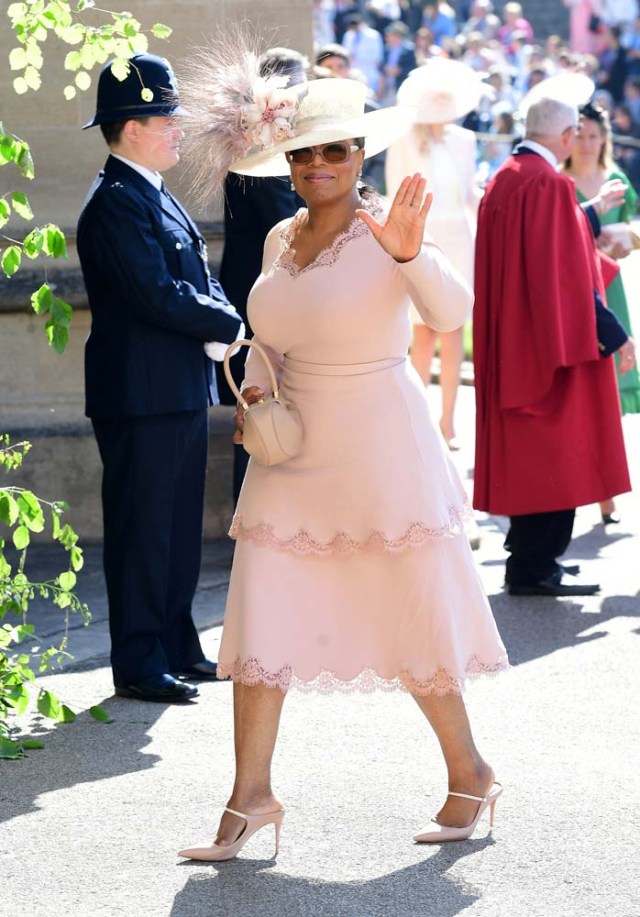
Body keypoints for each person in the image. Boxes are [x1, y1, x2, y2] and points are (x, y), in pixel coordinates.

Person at [176, 69, 508, 860]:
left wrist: (412, 253)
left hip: (380, 449)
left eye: (333, 149)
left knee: (409, 615)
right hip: (289, 457)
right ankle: (249, 796)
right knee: (262, 616)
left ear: (360, 154)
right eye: (302, 153)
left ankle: (471, 769)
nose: (316, 163)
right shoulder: (277, 237)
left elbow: (453, 314)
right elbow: (274, 337)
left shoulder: (386, 229)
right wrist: (257, 387)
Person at [77, 54, 244, 702]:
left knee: (174, 525)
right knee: (143, 527)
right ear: (132, 126)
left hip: (173, 385)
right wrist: (225, 320)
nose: (178, 128)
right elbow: (155, 291)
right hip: (140, 392)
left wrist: (222, 312)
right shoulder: (118, 200)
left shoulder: (150, 190)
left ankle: (175, 642)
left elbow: (193, 278)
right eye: (166, 116)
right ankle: (141, 659)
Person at [474, 95, 635, 597]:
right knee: (553, 455)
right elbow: (565, 275)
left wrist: (587, 210)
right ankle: (535, 566)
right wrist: (614, 335)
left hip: (515, 338)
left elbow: (542, 244)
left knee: (529, 456)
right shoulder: (547, 182)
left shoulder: (509, 175)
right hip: (548, 344)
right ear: (566, 137)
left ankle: (530, 561)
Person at [218, 48, 307, 503]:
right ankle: (253, 521)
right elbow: (289, 230)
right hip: (262, 304)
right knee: (258, 414)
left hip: (275, 301)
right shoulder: (259, 156)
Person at [386, 59, 483, 449]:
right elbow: (397, 193)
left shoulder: (465, 140)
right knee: (422, 332)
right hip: (422, 240)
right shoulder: (405, 140)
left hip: (459, 239)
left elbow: (470, 194)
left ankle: (448, 421)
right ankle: (420, 417)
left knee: (454, 327)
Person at [562, 100, 640, 523]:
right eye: (582, 134)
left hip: (610, 286)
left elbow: (634, 232)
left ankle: (607, 489)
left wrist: (624, 235)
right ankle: (587, 486)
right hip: (575, 290)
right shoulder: (558, 181)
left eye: (596, 135)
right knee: (582, 385)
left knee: (609, 385)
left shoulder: (618, 179)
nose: (589, 143)